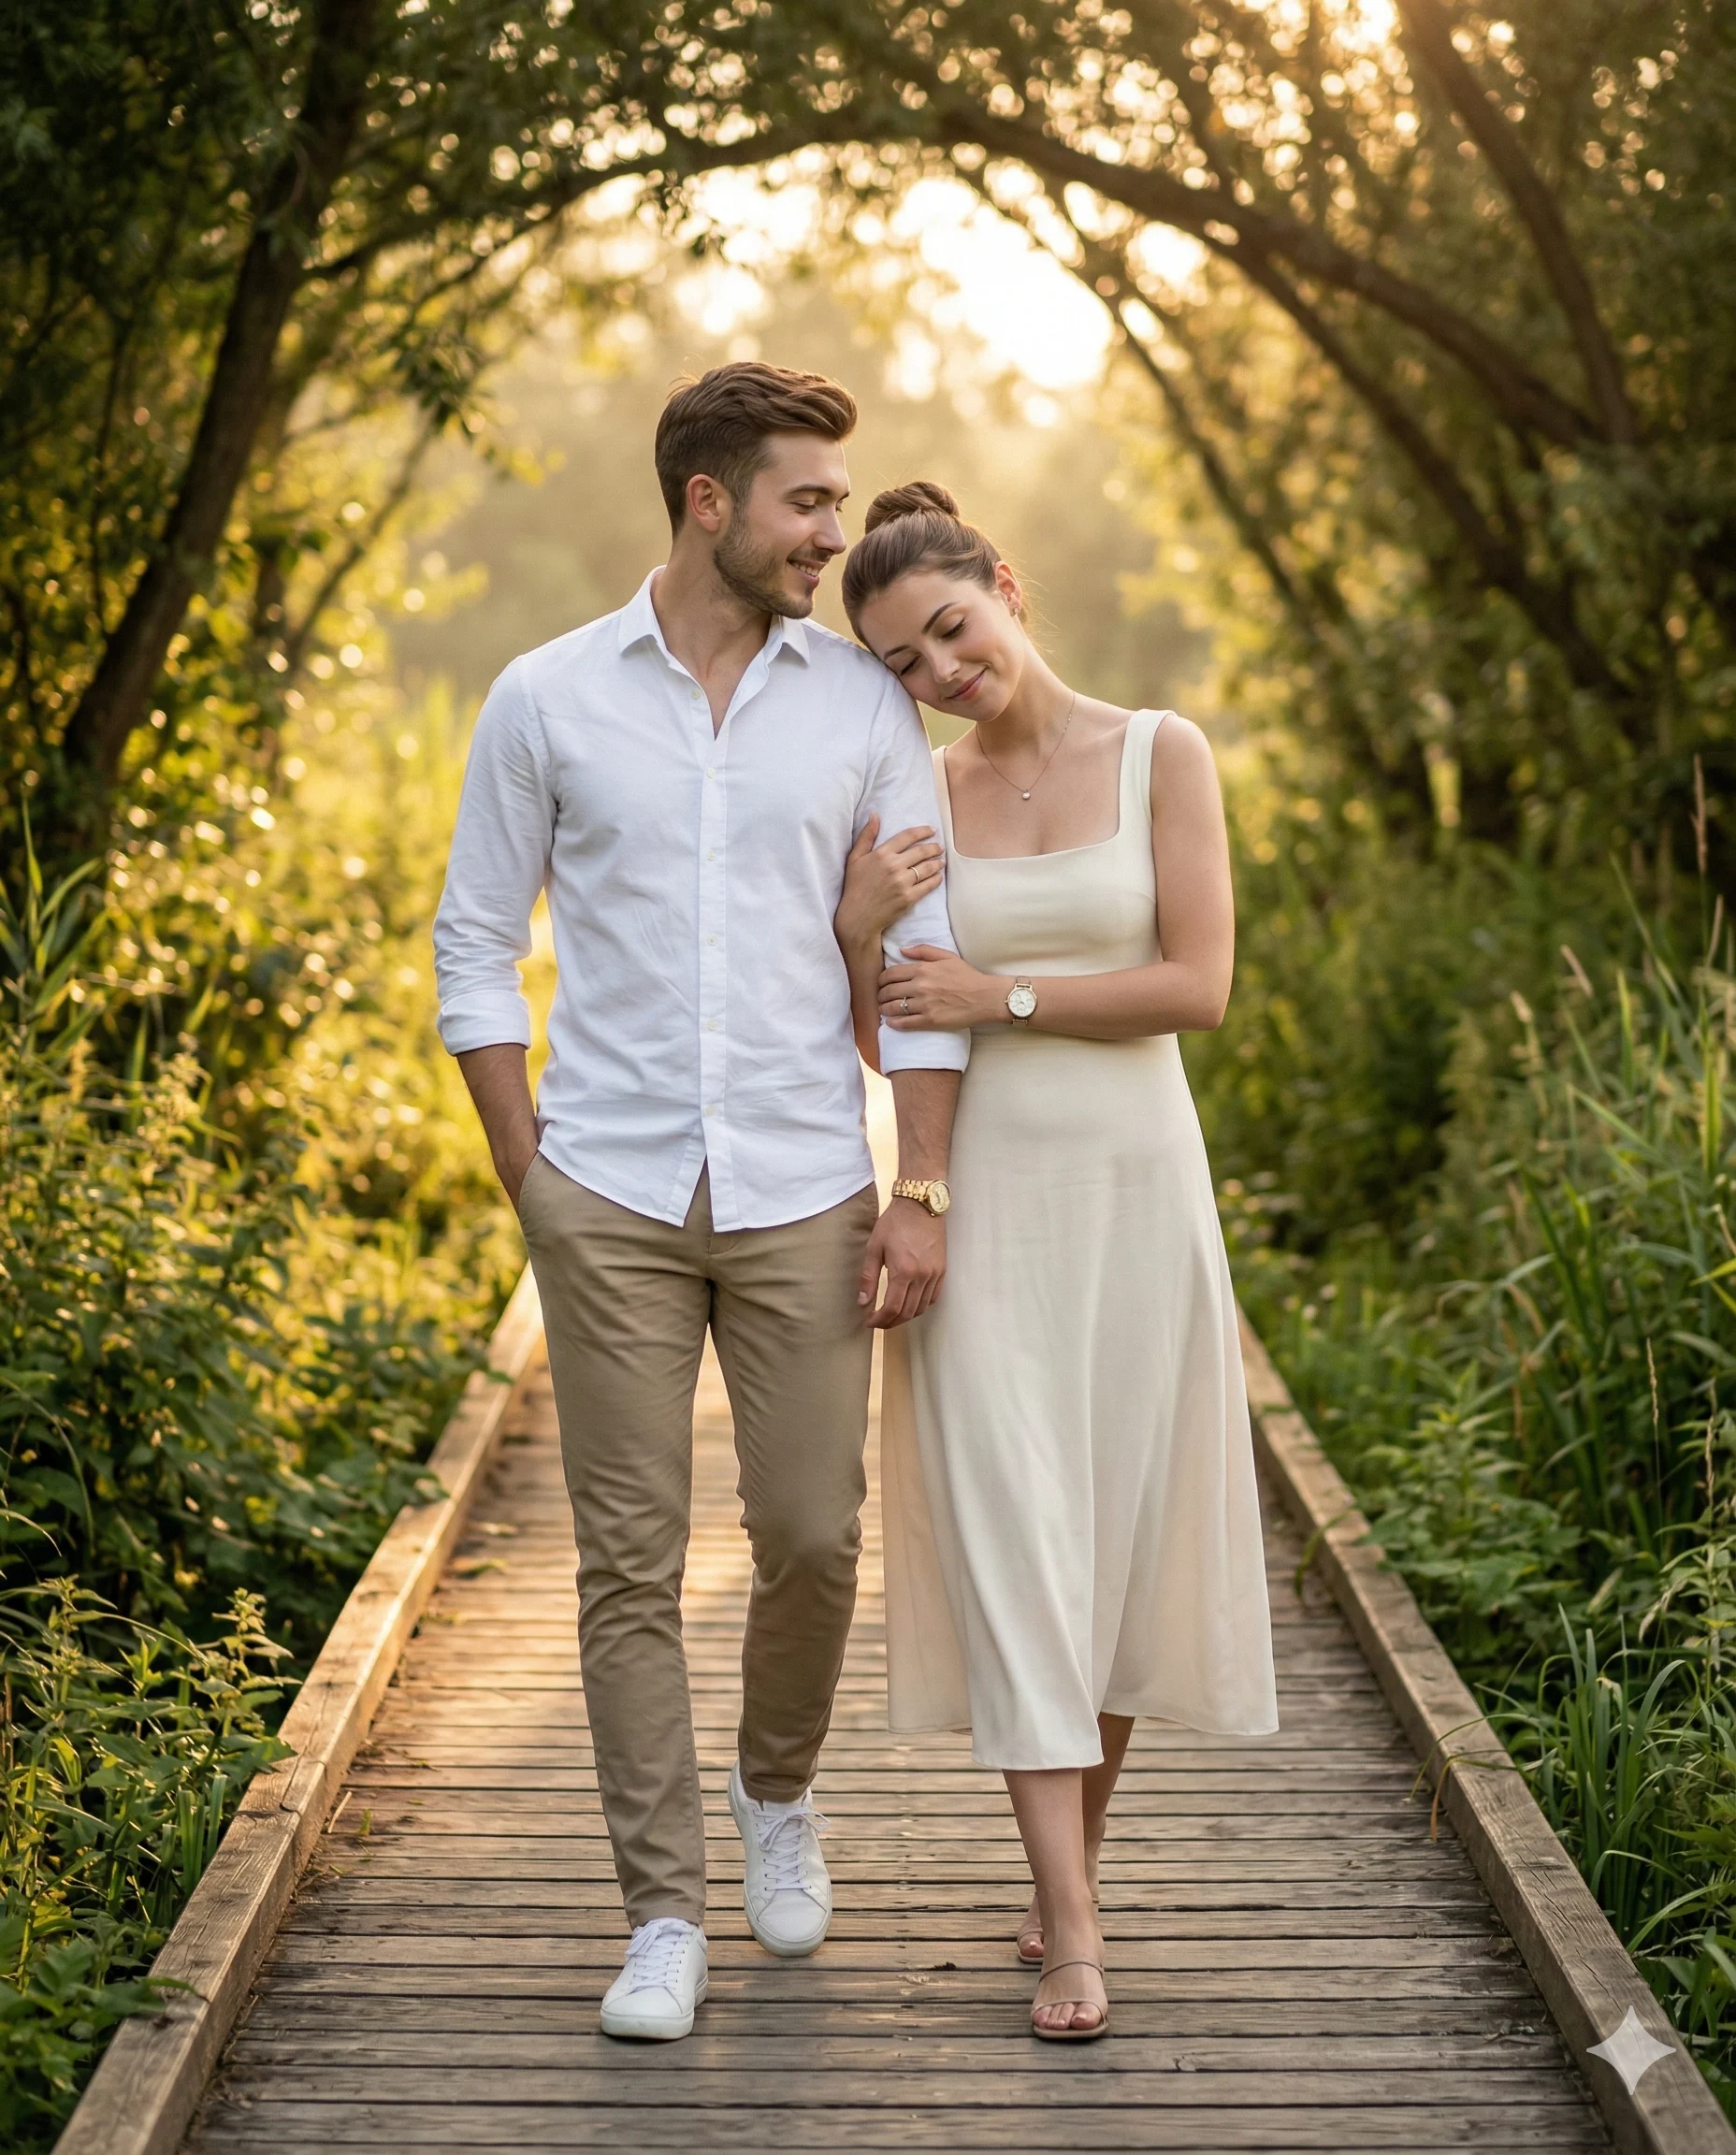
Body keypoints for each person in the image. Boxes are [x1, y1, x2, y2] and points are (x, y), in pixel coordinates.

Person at [432, 369, 969, 2043]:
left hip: (810, 1181)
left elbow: (924, 978)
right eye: (810, 501)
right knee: (625, 1564)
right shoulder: (545, 698)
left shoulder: (866, 710)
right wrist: (530, 1171)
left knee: (814, 1537)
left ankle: (775, 1789)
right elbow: (472, 941)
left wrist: (920, 1182)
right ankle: (662, 1910)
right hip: (609, 1190)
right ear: (708, 501)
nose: (834, 532)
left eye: (837, 503)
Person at [832, 482, 1278, 2043]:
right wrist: (859, 931)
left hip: (1143, 1190)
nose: (940, 673)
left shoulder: (1162, 751)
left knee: (1120, 1539)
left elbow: (1197, 986)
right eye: (903, 663)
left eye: (950, 630)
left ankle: (1067, 1864)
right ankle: (1077, 1926)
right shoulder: (917, 800)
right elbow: (888, 1014)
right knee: (1021, 1530)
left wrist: (1004, 995)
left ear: (1004, 587)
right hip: (991, 1202)